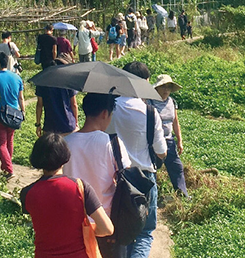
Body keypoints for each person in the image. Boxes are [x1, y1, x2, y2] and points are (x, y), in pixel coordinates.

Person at [106, 62, 167, 258]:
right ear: (144, 82)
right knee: (144, 232)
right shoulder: (150, 112)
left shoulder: (111, 109)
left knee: (121, 230)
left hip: (117, 177)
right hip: (145, 179)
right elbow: (161, 151)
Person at [20, 133, 114, 258]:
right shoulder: (80, 187)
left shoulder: (27, 193)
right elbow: (107, 228)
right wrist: (88, 231)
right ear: (65, 156)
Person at [63, 93, 131, 258]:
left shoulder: (65, 143)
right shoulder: (112, 143)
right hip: (106, 221)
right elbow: (127, 177)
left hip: (74, 223)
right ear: (104, 113)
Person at [0, 51, 26, 179]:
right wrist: (23, 111)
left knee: (1, 144)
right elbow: (21, 97)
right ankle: (6, 167)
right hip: (13, 115)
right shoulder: (17, 77)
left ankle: (9, 169)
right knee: (9, 141)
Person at [146, 75, 188, 198]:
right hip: (154, 140)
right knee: (153, 167)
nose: (166, 90)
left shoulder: (172, 102)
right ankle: (151, 195)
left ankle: (182, 194)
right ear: (157, 88)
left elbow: (175, 122)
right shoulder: (149, 102)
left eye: (168, 88)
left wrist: (179, 140)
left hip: (169, 140)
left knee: (176, 166)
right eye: (163, 87)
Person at [35, 57, 79, 138]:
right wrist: (76, 122)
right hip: (68, 125)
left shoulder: (42, 82)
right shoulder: (68, 81)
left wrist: (38, 124)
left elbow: (39, 105)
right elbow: (74, 105)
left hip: (50, 126)